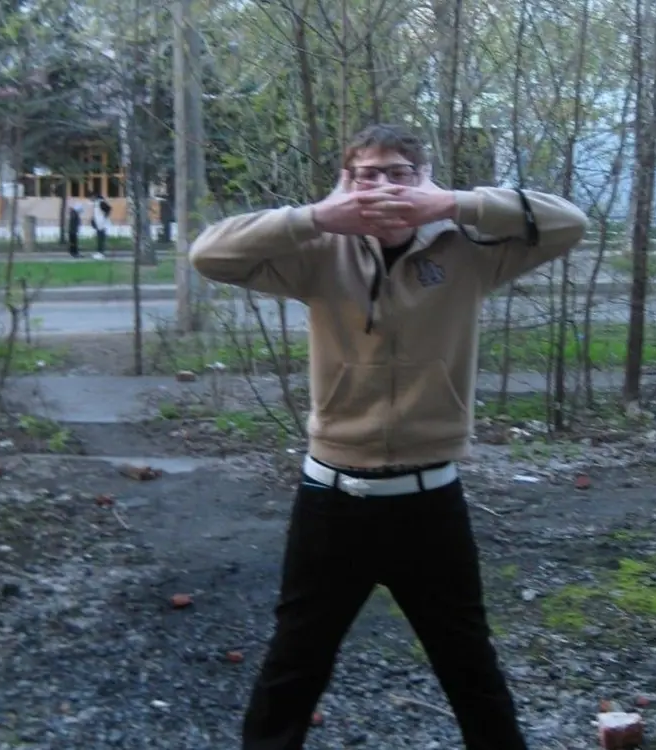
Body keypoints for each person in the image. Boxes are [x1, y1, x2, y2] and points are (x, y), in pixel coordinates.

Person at [189, 123, 588, 750]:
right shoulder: (320, 252)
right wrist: (318, 216)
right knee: (294, 664)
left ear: (423, 179)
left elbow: (569, 224)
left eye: (399, 173)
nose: (382, 187)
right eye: (366, 175)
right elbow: (209, 255)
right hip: (332, 499)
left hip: (430, 501)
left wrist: (453, 204)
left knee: (469, 665)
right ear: (346, 184)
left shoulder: (468, 251)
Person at [91, 194, 112, 259]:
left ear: (96, 197)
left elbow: (109, 208)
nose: (91, 198)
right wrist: (93, 220)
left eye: (92, 197)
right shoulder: (96, 204)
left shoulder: (101, 202)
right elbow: (96, 214)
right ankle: (99, 252)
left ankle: (101, 254)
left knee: (101, 239)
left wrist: (104, 218)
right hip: (98, 224)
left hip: (102, 225)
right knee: (99, 239)